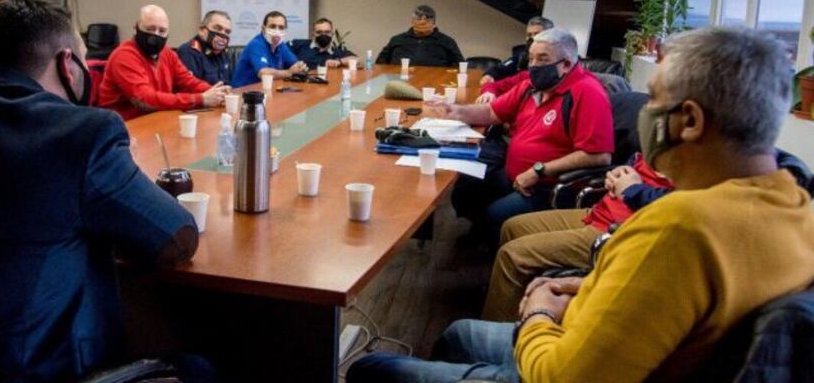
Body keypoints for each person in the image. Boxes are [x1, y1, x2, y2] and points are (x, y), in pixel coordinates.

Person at [348, 26, 814, 383]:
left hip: (557, 363)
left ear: (689, 121)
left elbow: (561, 377)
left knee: (373, 370)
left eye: (654, 101)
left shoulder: (680, 228)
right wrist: (594, 288)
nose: (644, 113)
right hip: (609, 338)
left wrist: (537, 313)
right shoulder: (795, 203)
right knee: (456, 335)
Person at [0, 0, 204, 383]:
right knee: (201, 364)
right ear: (68, 64)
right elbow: (175, 237)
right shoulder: (82, 134)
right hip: (31, 368)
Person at [442, 29, 613, 243]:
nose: (533, 65)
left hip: (549, 186)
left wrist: (539, 171)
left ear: (567, 64)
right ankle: (485, 237)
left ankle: (505, 254)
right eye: (531, 58)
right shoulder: (533, 86)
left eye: (542, 59)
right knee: (466, 190)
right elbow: (493, 112)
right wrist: (455, 111)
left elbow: (598, 155)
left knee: (496, 215)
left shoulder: (588, 93)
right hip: (515, 175)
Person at [483, 153, 673, 321]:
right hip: (599, 212)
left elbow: (675, 205)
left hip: (620, 233)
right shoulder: (667, 137)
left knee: (512, 256)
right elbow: (637, 163)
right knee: (512, 227)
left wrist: (632, 189)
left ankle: (500, 337)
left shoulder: (699, 166)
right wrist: (620, 173)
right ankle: (516, 311)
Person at [98, 4, 229, 119]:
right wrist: (200, 99)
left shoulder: (167, 53)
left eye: (162, 31)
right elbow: (144, 100)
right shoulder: (124, 56)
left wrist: (216, 92)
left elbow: (188, 81)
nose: (156, 35)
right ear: (136, 28)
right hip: (124, 126)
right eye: (150, 29)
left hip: (156, 118)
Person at [231, 10, 307, 87]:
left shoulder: (281, 45)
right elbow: (263, 73)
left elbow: (295, 64)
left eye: (281, 27)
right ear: (263, 29)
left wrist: (300, 67)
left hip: (266, 90)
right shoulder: (256, 44)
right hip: (242, 92)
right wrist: (288, 73)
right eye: (273, 26)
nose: (277, 31)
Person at [376, 5, 464, 67]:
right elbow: (380, 63)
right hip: (399, 80)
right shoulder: (397, 40)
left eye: (427, 21)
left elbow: (460, 66)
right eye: (418, 19)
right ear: (412, 21)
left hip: (434, 82)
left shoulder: (447, 41)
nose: (422, 22)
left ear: (434, 23)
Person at [480, 16, 554, 87]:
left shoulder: (555, 58)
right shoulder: (522, 54)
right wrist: (489, 75)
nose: (531, 38)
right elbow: (502, 68)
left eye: (536, 34)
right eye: (529, 35)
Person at [176, 10, 234, 85]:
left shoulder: (224, 54)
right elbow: (190, 89)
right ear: (202, 30)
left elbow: (229, 84)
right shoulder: (188, 52)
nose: (223, 34)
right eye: (217, 28)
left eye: (227, 32)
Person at [288, 17, 358, 69]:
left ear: (332, 34)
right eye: (319, 32)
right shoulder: (299, 44)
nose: (323, 35)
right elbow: (279, 50)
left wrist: (339, 61)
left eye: (327, 32)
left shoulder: (337, 51)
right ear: (313, 34)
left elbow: (359, 61)